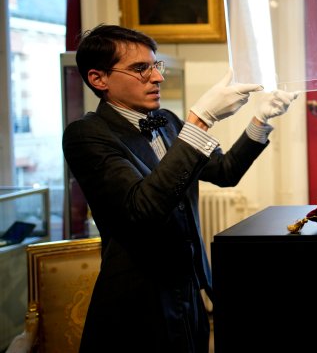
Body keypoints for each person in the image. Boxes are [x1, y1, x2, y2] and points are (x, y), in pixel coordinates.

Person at [63, 24, 299, 352]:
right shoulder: (87, 135)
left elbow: (225, 172)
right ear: (98, 79)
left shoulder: (168, 122)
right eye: (139, 69)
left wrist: (260, 121)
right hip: (138, 300)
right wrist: (200, 121)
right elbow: (142, 209)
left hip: (189, 289)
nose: (157, 78)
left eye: (154, 66)